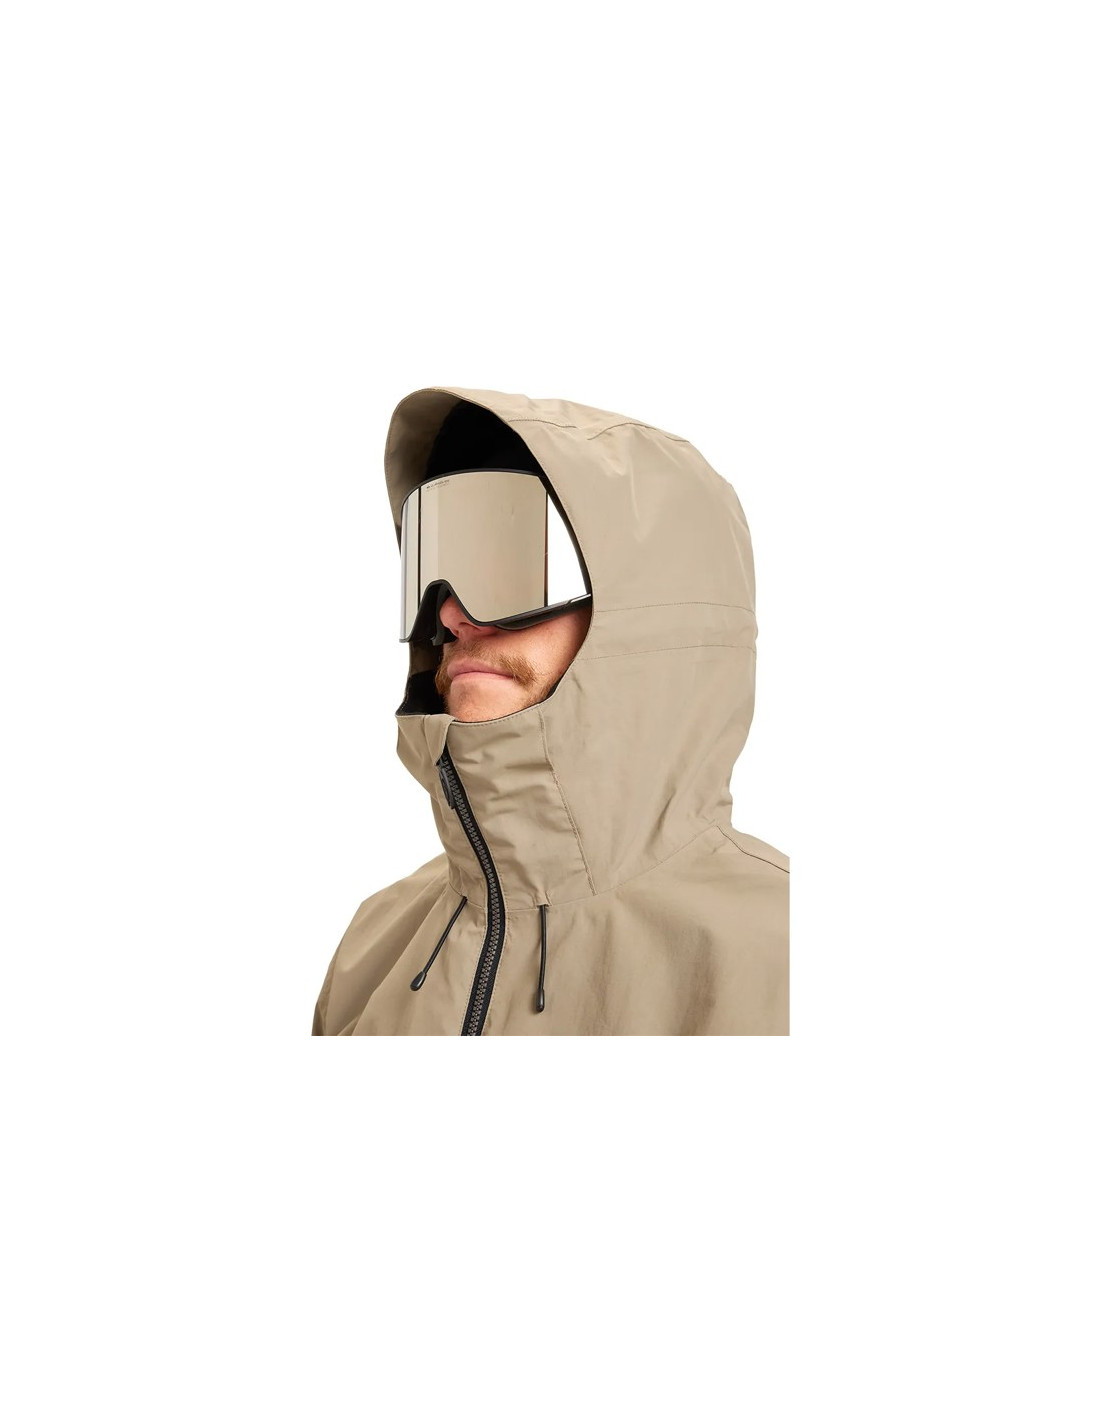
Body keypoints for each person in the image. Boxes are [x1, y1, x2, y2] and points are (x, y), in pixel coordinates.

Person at [312, 386, 789, 1035]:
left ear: (647, 615)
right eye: (438, 568)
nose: (450, 614)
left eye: (511, 565)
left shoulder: (783, 962)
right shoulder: (373, 946)